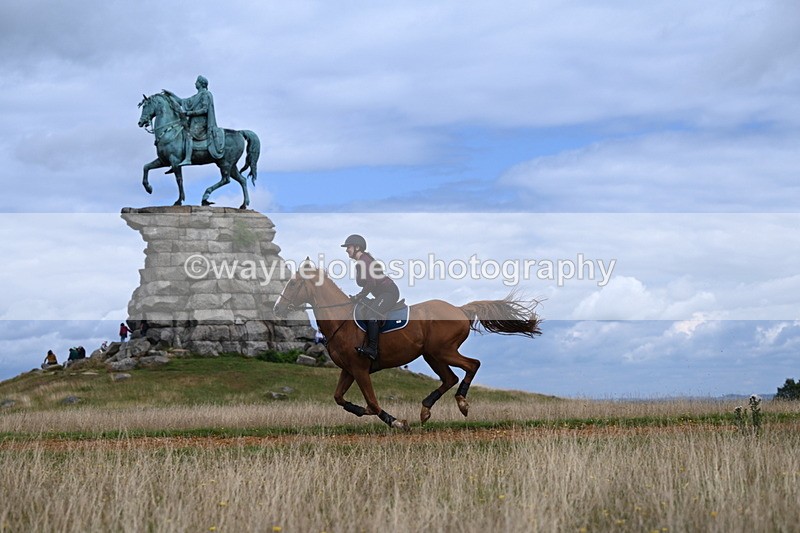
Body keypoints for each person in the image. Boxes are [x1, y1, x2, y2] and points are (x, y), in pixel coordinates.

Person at [341, 234, 400, 360]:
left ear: (357, 247)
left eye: (348, 247)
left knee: (372, 314)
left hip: (389, 293)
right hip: (381, 294)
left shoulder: (364, 260)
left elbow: (371, 283)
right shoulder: (362, 262)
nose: (346, 250)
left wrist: (359, 295)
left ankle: (372, 349)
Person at [165, 75, 224, 166]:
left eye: (197, 82)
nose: (195, 83)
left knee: (188, 135)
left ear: (201, 84)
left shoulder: (206, 94)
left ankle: (188, 158)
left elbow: (205, 109)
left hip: (201, 123)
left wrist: (189, 113)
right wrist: (171, 95)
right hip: (193, 122)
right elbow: (182, 101)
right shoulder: (196, 96)